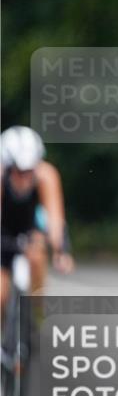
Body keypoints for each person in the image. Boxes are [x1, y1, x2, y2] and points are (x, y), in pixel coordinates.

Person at [1, 125, 74, 326]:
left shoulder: (46, 174)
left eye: (29, 171)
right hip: (3, 230)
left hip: (31, 228)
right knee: (1, 293)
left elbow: (55, 217)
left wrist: (61, 250)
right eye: (19, 171)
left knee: (37, 255)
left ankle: (37, 310)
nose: (24, 177)